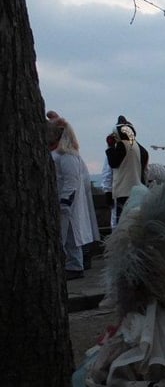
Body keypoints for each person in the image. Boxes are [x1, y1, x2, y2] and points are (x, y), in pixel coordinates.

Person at [47, 111, 100, 280]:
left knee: (69, 236)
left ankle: (74, 265)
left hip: (65, 203)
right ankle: (72, 264)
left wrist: (64, 203)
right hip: (63, 201)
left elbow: (71, 182)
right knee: (68, 236)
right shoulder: (64, 155)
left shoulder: (66, 156)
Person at [104, 115, 148, 219]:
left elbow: (112, 164)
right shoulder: (142, 150)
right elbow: (146, 173)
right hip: (140, 191)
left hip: (123, 192)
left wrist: (110, 147)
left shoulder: (121, 146)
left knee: (121, 222)